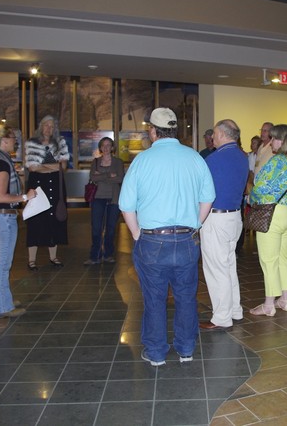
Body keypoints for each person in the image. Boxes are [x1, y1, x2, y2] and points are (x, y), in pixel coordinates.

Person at [119, 107, 215, 366]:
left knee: (154, 298)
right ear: (175, 129)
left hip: (152, 241)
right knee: (186, 297)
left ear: (152, 131)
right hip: (186, 240)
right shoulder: (194, 157)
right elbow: (208, 197)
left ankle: (157, 352)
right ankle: (185, 349)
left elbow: (126, 205)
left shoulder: (142, 160)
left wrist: (137, 234)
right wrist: (196, 224)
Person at [0, 124, 37, 318]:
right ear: (4, 141)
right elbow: (1, 196)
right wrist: (25, 197)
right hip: (1, 217)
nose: (15, 141)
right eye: (12, 138)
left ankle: (1, 300)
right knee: (2, 264)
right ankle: (2, 307)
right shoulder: (2, 164)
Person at [199, 119, 249, 331]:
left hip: (216, 218)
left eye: (215, 133)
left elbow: (203, 191)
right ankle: (234, 310)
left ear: (222, 134)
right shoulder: (241, 156)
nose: (212, 137)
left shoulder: (214, 159)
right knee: (229, 266)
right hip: (234, 216)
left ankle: (221, 317)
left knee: (216, 269)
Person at [249, 124, 287, 316]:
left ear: (283, 140)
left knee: (269, 259)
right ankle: (285, 300)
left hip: (273, 213)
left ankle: (269, 305)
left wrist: (252, 197)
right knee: (283, 257)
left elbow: (260, 186)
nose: (271, 142)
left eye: (274, 138)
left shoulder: (277, 160)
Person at [24, 115, 69, 270]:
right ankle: (32, 260)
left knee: (55, 219)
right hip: (37, 186)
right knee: (35, 219)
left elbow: (63, 167)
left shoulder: (60, 142)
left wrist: (43, 167)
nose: (49, 129)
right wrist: (53, 166)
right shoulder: (32, 143)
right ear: (41, 126)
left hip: (56, 186)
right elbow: (32, 168)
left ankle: (53, 257)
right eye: (46, 125)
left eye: (52, 126)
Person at [84, 137, 125, 265]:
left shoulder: (118, 162)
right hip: (97, 198)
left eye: (109, 145)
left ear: (112, 147)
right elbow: (92, 177)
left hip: (113, 199)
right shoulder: (95, 162)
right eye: (103, 145)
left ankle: (108, 254)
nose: (106, 148)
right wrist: (108, 175)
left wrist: (100, 176)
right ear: (100, 148)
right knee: (96, 228)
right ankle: (94, 256)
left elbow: (119, 179)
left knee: (111, 228)